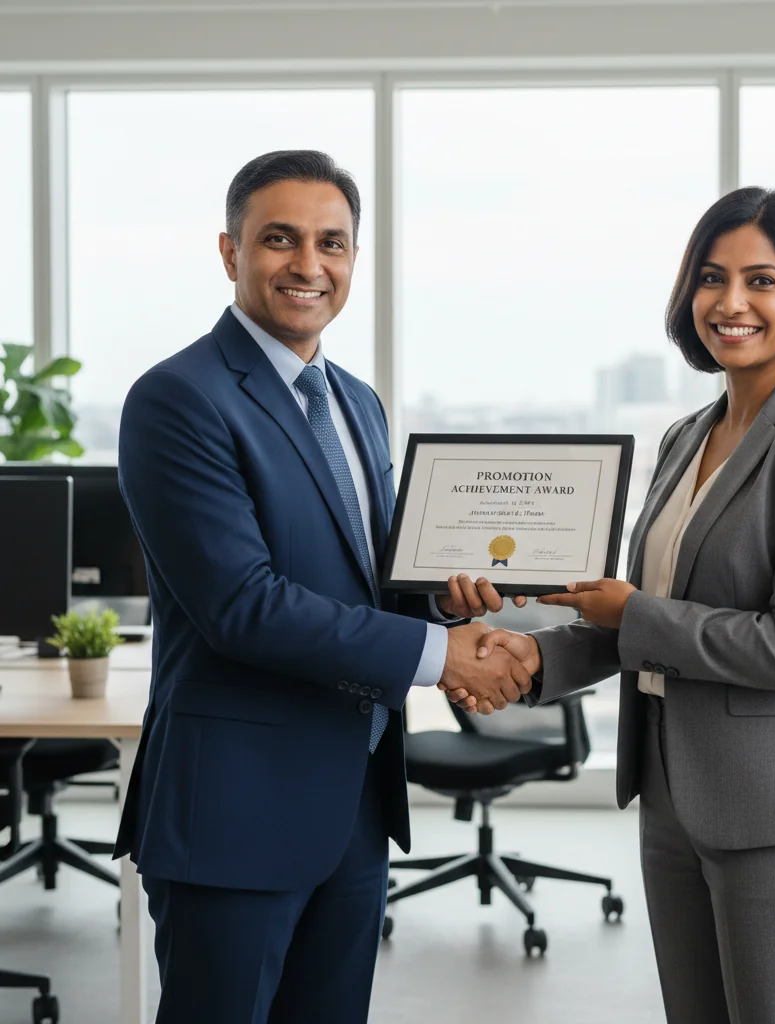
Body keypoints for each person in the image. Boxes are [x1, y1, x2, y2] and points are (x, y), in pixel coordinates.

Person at [114, 149, 530, 1024]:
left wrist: (444, 603)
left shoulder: (357, 401)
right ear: (230, 253)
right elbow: (244, 605)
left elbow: (367, 582)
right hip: (236, 809)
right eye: (280, 239)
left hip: (352, 804)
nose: (309, 265)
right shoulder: (178, 399)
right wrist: (439, 654)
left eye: (332, 243)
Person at [446, 187, 775, 1024]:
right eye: (712, 279)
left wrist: (631, 612)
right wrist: (535, 656)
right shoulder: (688, 436)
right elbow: (645, 622)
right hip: (671, 797)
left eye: (763, 280)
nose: (731, 303)